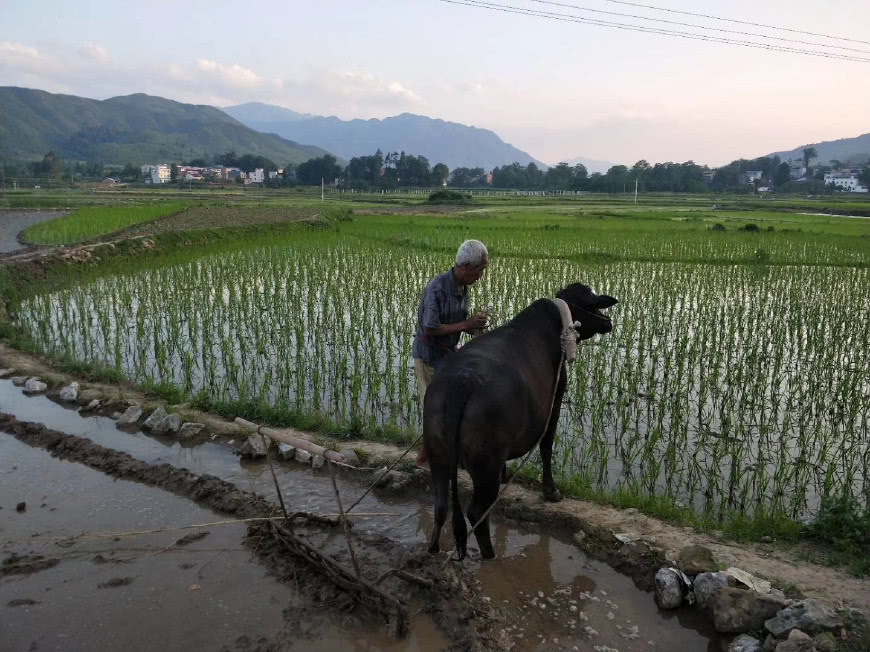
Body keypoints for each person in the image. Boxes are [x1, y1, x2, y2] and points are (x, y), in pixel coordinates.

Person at [412, 239, 489, 470]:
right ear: (466, 267)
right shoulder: (437, 288)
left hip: (446, 353)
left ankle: (447, 453)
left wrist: (474, 326)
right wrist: (466, 324)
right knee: (434, 409)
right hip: (428, 355)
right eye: (479, 271)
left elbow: (456, 323)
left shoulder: (462, 287)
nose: (480, 276)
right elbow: (430, 327)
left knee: (451, 405)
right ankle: (424, 458)